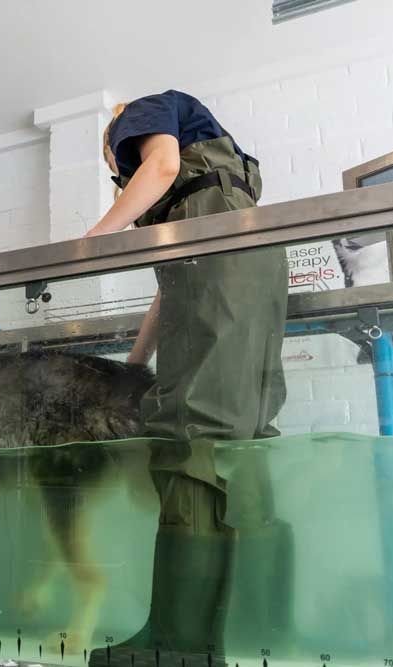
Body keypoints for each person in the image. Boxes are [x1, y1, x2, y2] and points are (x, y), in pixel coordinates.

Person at [84, 90, 288, 660]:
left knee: (190, 437)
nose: (120, 174)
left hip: (217, 275)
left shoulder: (145, 111)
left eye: (115, 166)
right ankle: (246, 636)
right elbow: (172, 293)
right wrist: (134, 362)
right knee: (245, 442)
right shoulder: (216, 203)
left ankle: (174, 644)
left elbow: (163, 164)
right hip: (253, 273)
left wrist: (94, 241)